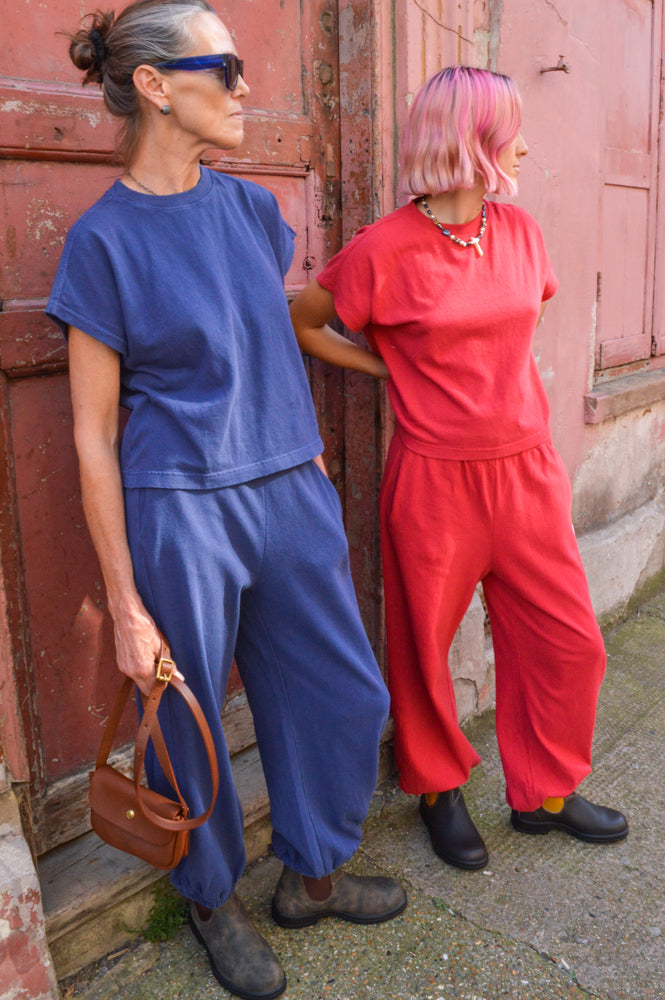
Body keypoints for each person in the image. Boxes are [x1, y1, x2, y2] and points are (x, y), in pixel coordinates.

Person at [46, 2, 406, 997]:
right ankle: (210, 898)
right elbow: (92, 434)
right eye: (226, 67)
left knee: (343, 693)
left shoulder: (251, 212)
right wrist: (126, 606)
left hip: (287, 487)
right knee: (185, 717)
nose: (247, 88)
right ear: (156, 86)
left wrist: (308, 457)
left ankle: (312, 875)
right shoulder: (101, 243)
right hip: (180, 508)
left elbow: (264, 341)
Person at [289, 66, 628, 875]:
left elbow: (511, 319)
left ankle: (544, 792)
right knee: (422, 645)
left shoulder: (520, 233)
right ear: (470, 139)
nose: (524, 145)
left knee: (569, 642)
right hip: (435, 480)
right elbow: (303, 321)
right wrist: (385, 367)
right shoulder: (382, 249)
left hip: (526, 470)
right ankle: (438, 789)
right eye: (510, 129)